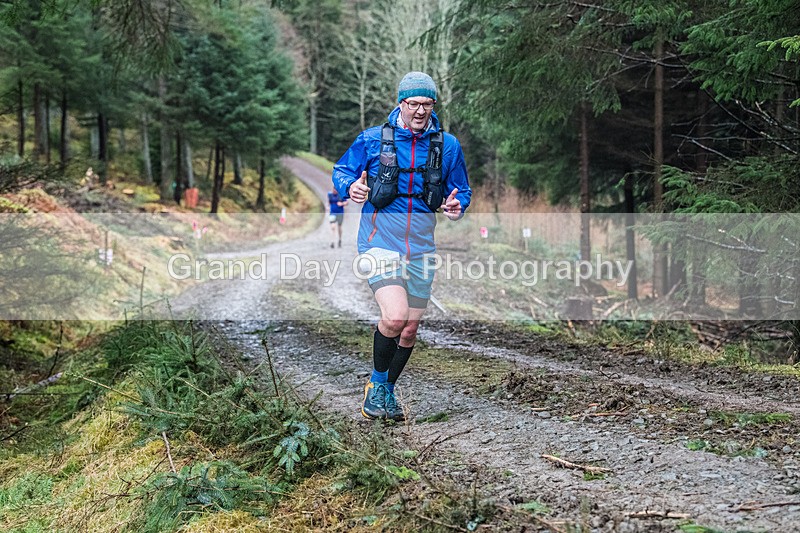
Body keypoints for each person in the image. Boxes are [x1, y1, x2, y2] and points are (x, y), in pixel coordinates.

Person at [332, 71, 471, 421]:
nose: (420, 111)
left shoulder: (447, 146)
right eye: (413, 104)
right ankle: (376, 388)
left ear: (434, 105)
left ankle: (387, 391)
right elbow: (342, 170)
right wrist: (351, 188)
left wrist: (457, 206)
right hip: (380, 241)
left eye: (427, 104)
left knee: (409, 328)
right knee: (394, 317)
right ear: (400, 103)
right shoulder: (372, 140)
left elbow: (461, 190)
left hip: (422, 247)